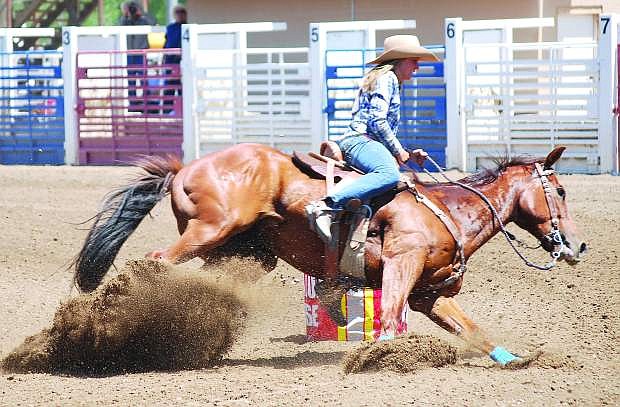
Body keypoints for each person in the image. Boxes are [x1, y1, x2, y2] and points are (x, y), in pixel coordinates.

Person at [306, 35, 438, 244]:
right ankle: (326, 206)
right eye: (414, 61)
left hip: (363, 140)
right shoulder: (388, 79)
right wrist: (398, 151)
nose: (417, 67)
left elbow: (377, 124)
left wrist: (407, 153)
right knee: (388, 174)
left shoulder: (386, 79)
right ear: (401, 60)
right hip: (360, 141)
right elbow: (377, 120)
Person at [119, 1, 155, 112]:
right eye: (131, 8)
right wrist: (126, 14)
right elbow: (119, 25)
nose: (133, 10)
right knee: (130, 79)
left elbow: (153, 22)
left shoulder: (143, 20)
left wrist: (142, 12)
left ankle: (147, 101)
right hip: (129, 53)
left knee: (143, 78)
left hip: (141, 53)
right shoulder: (125, 21)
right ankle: (133, 103)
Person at [162, 5, 187, 114]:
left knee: (183, 86)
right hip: (170, 60)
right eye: (177, 12)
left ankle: (184, 111)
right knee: (169, 86)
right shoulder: (170, 28)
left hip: (182, 60)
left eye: (182, 12)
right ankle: (167, 111)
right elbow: (166, 43)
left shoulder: (187, 27)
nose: (180, 14)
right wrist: (164, 57)